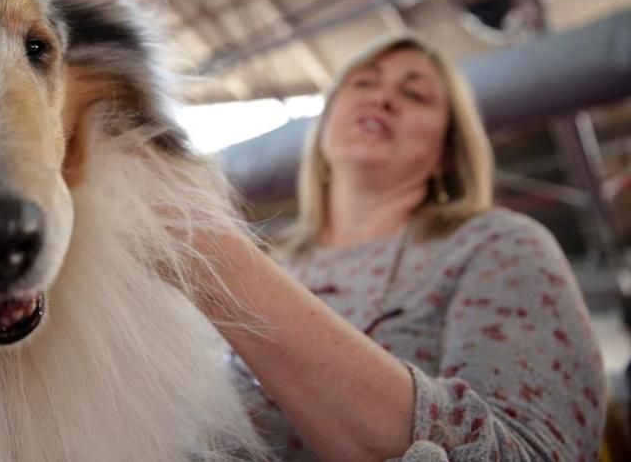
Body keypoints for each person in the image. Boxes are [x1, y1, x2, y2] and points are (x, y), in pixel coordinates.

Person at [181, 32, 606, 460]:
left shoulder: (497, 245)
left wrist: (220, 261)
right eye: (364, 83)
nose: (382, 98)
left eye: (415, 94)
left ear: (445, 153)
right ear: (325, 124)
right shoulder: (278, 262)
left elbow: (531, 452)